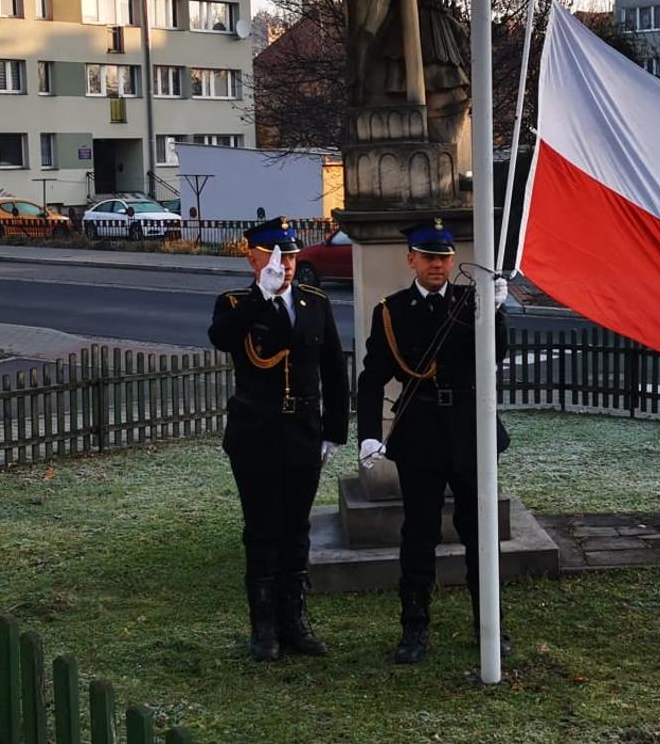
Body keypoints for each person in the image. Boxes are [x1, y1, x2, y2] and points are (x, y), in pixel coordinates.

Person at [355, 218, 511, 664]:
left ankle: (490, 626)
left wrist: (497, 313)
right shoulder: (392, 310)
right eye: (428, 257)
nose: (438, 265)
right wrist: (368, 434)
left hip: (467, 427)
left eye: (443, 257)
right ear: (411, 260)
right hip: (421, 427)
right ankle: (415, 629)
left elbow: (495, 356)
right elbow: (373, 377)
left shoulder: (471, 301)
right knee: (419, 535)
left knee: (479, 534)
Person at [207, 217, 349, 660]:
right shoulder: (234, 303)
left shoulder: (314, 302)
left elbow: (333, 369)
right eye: (273, 256)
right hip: (256, 433)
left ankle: (296, 623)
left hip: (303, 432)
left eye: (289, 256)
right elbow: (223, 338)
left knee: (297, 530)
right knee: (262, 529)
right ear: (252, 258)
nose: (284, 265)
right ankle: (263, 627)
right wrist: (262, 298)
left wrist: (334, 432)